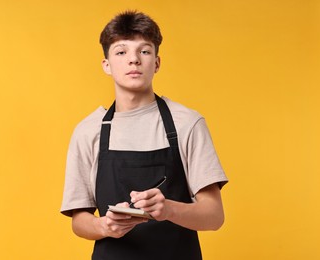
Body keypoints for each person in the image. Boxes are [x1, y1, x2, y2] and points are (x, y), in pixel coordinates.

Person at [61, 10, 228, 260]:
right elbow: (79, 220)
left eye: (144, 51)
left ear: (157, 63)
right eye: (121, 51)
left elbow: (214, 216)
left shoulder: (187, 123)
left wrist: (168, 208)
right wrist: (103, 226)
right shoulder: (88, 131)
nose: (134, 60)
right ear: (106, 65)